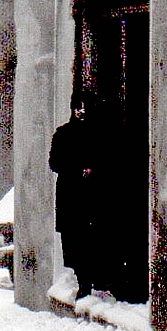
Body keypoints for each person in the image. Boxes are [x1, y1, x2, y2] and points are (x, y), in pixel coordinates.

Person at [49, 91, 98, 299]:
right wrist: (77, 169)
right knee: (73, 241)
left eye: (85, 107)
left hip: (92, 197)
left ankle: (91, 281)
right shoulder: (63, 134)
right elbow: (55, 162)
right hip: (70, 196)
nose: (82, 111)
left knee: (91, 240)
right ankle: (83, 282)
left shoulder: (98, 134)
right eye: (78, 107)